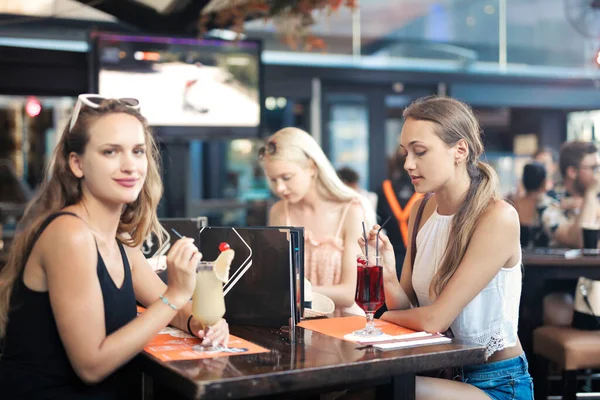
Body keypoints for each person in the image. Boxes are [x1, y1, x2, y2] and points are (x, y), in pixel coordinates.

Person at [0, 94, 228, 399]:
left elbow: (168, 308)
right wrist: (176, 294)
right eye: (110, 152)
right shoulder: (71, 234)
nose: (130, 166)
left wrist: (200, 323)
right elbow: (91, 365)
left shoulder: (119, 241)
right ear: (77, 163)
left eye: (138, 151)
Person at [360, 96, 532, 400]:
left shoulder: (497, 217)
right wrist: (387, 273)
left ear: (460, 150)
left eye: (420, 152)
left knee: (376, 391)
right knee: (350, 390)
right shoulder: (420, 210)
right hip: (438, 371)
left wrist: (377, 320)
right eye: (405, 152)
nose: (408, 164)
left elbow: (433, 320)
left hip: (496, 383)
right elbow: (409, 311)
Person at [260, 127, 376, 314]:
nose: (280, 188)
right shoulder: (279, 212)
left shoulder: (351, 210)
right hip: (295, 322)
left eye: (286, 177)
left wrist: (293, 291)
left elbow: (349, 294)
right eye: (273, 180)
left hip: (343, 323)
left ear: (312, 167)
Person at [540, 141, 600, 248]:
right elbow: (581, 241)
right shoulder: (550, 200)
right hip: (565, 264)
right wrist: (590, 194)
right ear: (572, 172)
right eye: (594, 168)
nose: (598, 173)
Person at [512, 162, 554, 248]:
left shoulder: (511, 204)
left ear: (523, 181)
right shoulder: (547, 205)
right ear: (544, 182)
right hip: (543, 259)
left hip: (514, 258)